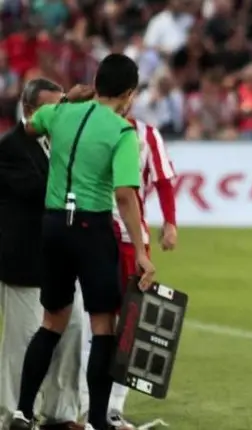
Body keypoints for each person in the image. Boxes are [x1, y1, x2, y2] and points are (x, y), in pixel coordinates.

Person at [9, 53, 156, 430]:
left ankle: (23, 411)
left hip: (54, 225)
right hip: (92, 227)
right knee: (103, 326)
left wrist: (67, 100)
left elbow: (29, 128)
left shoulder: (60, 114)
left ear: (95, 83)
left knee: (50, 322)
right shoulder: (121, 131)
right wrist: (141, 251)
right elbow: (125, 195)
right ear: (129, 94)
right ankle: (98, 421)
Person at [78, 115, 178, 430]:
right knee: (92, 323)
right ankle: (86, 407)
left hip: (130, 238)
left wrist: (170, 222)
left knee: (129, 325)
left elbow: (163, 180)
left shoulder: (147, 134)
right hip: (92, 232)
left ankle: (113, 409)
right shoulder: (87, 124)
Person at [0, 79, 89, 430]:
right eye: (53, 109)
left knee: (73, 333)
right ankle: (12, 415)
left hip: (63, 258)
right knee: (23, 341)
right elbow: (39, 191)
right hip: (25, 261)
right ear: (29, 110)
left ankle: (60, 414)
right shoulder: (10, 147)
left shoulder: (58, 143)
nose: (59, 116)